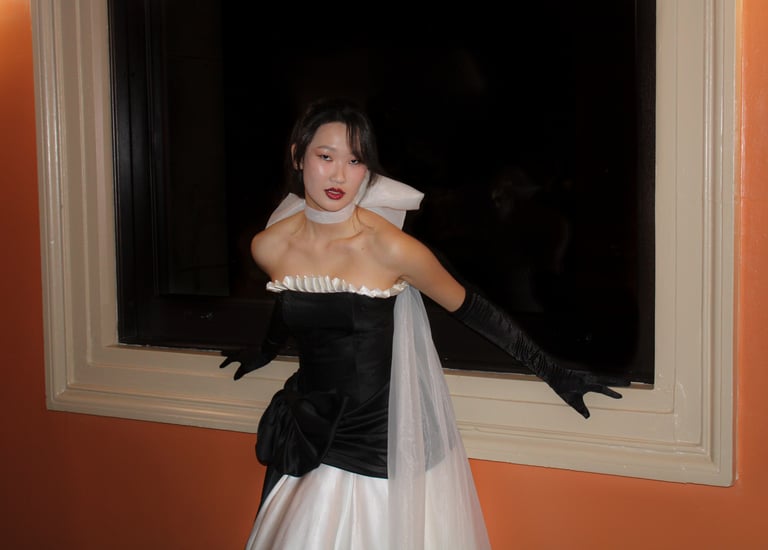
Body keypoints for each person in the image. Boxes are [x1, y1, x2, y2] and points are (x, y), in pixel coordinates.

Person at [220, 97, 629, 550]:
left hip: (378, 435)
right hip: (310, 424)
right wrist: (265, 351)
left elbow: (472, 308)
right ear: (299, 156)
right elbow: (292, 300)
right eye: (326, 156)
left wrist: (553, 370)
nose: (339, 175)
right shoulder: (269, 245)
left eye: (355, 161)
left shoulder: (390, 248)